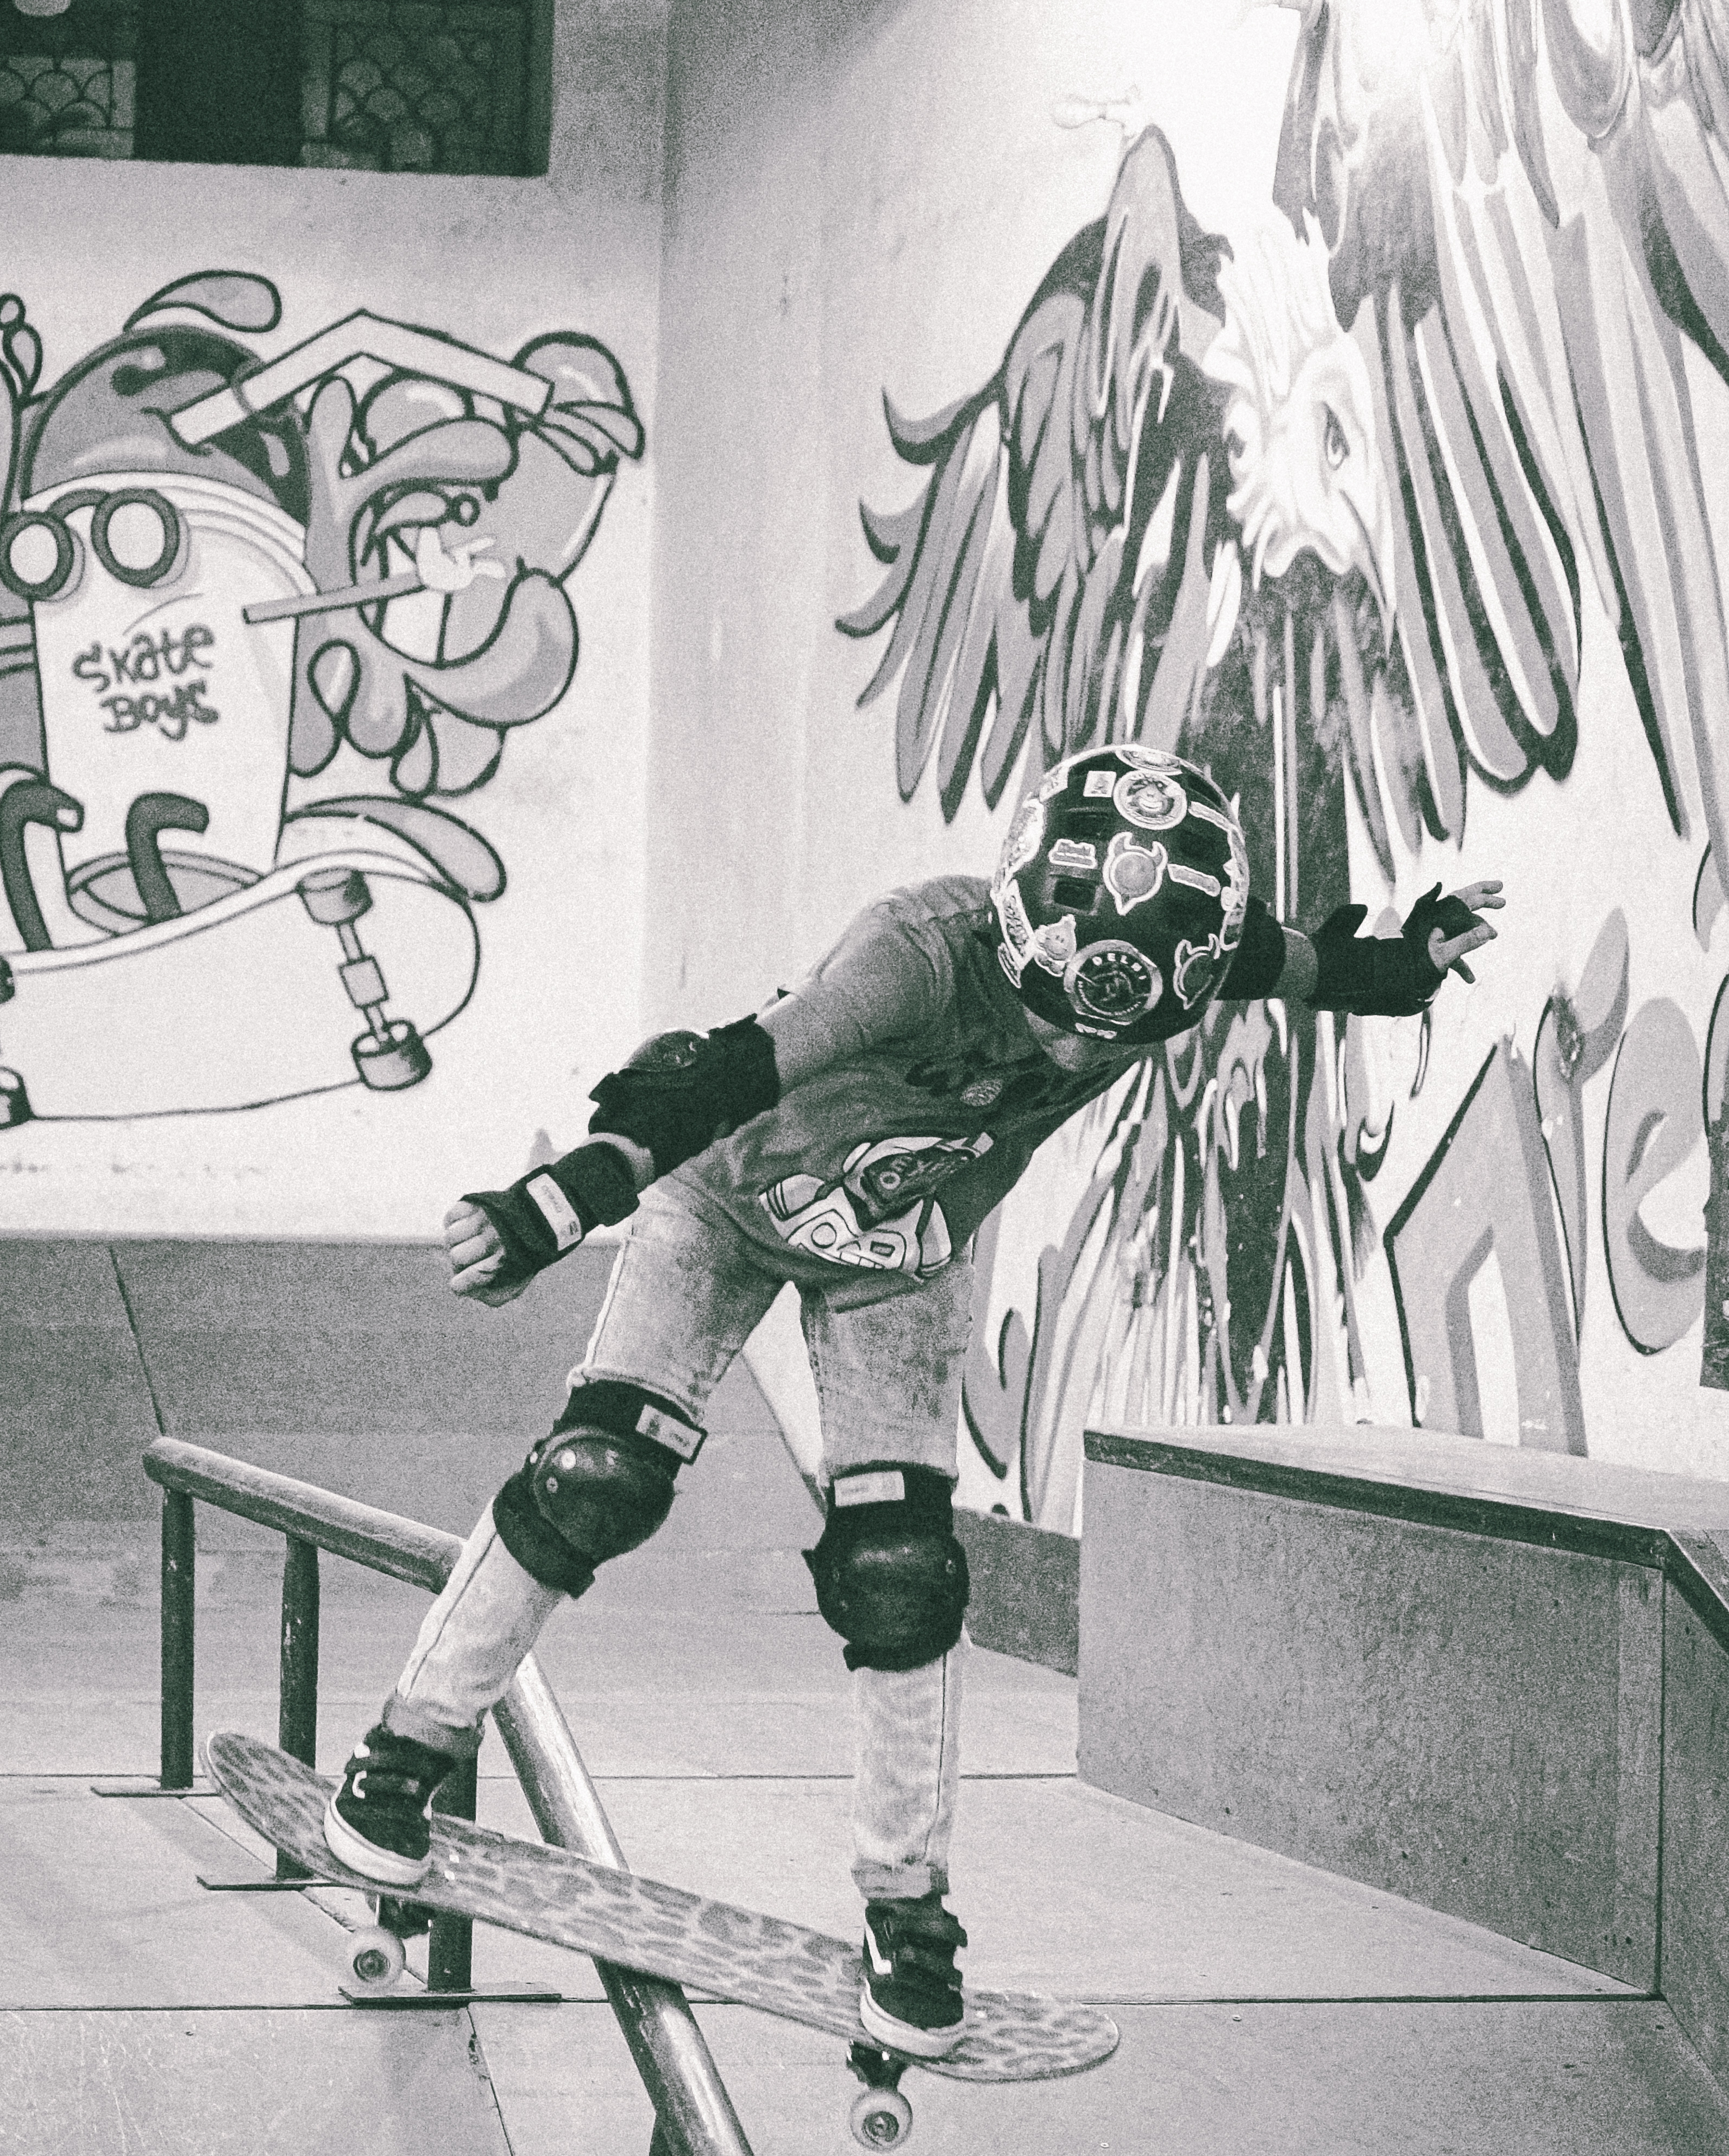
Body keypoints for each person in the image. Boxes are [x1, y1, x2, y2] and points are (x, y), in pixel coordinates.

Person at [322, 743, 1502, 2056]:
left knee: (904, 1571)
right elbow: (724, 1075)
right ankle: (401, 1755)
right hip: (723, 1203)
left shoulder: (1192, 953)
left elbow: (1316, 967)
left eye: (1105, 1037)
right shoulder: (917, 955)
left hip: (903, 1254)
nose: (1067, 1046)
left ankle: (908, 1906)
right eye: (1055, 1013)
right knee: (596, 1481)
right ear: (1021, 928)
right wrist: (550, 1208)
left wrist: (1412, 964)